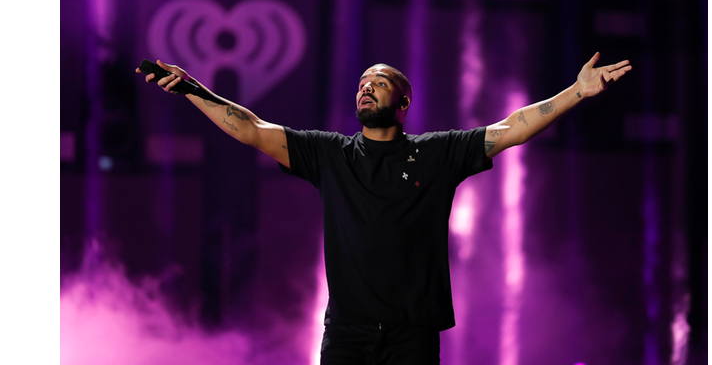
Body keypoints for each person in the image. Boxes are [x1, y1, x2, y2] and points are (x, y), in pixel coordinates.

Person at [137, 52, 631, 364]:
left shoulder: (438, 153)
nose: (366, 86)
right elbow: (251, 128)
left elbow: (512, 126)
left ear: (405, 100)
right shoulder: (330, 154)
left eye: (379, 80)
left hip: (411, 335)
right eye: (361, 82)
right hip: (347, 335)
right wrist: (193, 90)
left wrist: (576, 93)